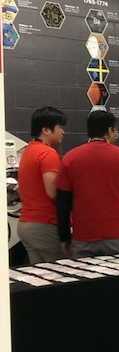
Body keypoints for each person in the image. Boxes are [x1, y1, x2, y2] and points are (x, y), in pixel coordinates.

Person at [55, 110, 119, 258]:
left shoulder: (70, 159)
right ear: (109, 131)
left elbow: (62, 204)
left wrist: (64, 237)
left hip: (84, 239)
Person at [17, 107, 67, 264]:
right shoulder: (47, 153)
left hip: (25, 225)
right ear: (46, 129)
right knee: (63, 275)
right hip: (44, 225)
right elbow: (53, 192)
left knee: (42, 279)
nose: (63, 132)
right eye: (60, 127)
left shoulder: (28, 151)